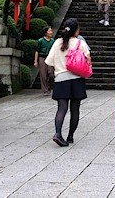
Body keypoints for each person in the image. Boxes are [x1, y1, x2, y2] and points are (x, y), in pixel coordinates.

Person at [45, 18, 90, 146]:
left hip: (60, 79)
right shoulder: (80, 43)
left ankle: (58, 134)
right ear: (76, 30)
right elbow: (88, 59)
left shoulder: (57, 42)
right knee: (75, 109)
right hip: (76, 79)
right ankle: (70, 136)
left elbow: (49, 62)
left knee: (61, 108)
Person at [34, 26, 55, 93]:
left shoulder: (53, 41)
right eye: (49, 31)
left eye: (51, 31)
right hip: (42, 58)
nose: (51, 32)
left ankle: (50, 85)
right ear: (46, 32)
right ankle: (45, 89)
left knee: (51, 73)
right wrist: (35, 61)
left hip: (50, 58)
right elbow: (37, 51)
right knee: (43, 74)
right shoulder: (40, 41)